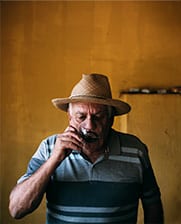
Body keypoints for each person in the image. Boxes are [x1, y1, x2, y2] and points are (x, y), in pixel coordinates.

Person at [9, 73, 164, 224]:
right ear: (69, 118)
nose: (89, 126)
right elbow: (17, 210)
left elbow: (152, 203)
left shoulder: (135, 150)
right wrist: (54, 160)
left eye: (98, 117)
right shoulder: (49, 148)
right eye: (81, 117)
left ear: (110, 120)